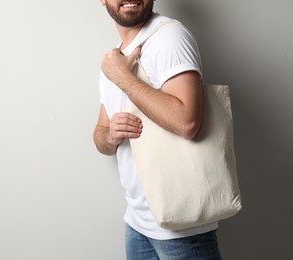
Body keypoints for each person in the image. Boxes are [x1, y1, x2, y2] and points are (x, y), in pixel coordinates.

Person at [93, 0, 222, 259]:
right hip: (137, 220)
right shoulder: (114, 59)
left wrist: (122, 76)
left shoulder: (168, 37)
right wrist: (111, 134)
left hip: (181, 227)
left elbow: (187, 122)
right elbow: (100, 136)